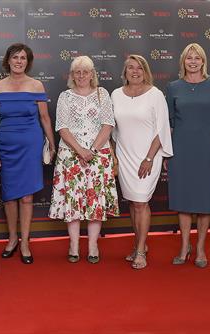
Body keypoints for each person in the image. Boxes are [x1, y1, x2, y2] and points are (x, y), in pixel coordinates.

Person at [0, 43, 56, 264]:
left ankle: (25, 242)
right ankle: (11, 239)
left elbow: (45, 118)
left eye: (23, 58)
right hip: (5, 146)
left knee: (27, 196)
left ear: (28, 62)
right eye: (15, 57)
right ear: (8, 60)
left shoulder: (36, 85)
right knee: (9, 196)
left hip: (31, 144)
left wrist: (52, 144)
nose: (19, 61)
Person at [49, 56, 118, 265]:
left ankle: (93, 246)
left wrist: (92, 150)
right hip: (70, 156)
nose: (81, 76)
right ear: (72, 75)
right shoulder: (65, 96)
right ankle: (74, 245)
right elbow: (62, 127)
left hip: (98, 155)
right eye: (77, 72)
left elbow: (108, 124)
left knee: (95, 200)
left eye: (85, 72)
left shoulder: (102, 94)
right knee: (73, 200)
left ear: (92, 74)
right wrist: (80, 150)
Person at [165, 43, 210, 268]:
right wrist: (166, 152)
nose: (193, 61)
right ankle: (184, 246)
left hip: (207, 147)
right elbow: (169, 123)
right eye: (188, 58)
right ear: (183, 61)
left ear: (203, 61)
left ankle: (200, 247)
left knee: (203, 200)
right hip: (180, 148)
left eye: (197, 58)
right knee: (183, 200)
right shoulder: (173, 87)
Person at [111, 55, 173, 270]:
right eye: (130, 68)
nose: (135, 71)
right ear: (125, 71)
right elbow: (112, 129)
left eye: (139, 68)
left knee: (141, 202)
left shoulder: (155, 95)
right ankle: (139, 244)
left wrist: (149, 158)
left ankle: (140, 250)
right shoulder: (116, 94)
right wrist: (114, 156)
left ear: (145, 71)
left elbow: (162, 130)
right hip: (125, 155)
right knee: (132, 202)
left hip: (148, 156)